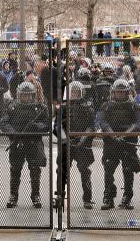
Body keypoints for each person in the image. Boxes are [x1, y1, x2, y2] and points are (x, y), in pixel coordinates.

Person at [0, 82, 49, 208]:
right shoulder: (11, 106)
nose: (26, 98)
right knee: (15, 170)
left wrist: (37, 126)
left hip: (33, 142)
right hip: (17, 142)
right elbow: (4, 122)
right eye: (23, 95)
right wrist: (14, 134)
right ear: (19, 95)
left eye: (28, 96)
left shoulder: (39, 107)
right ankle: (13, 195)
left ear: (32, 96)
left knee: (35, 171)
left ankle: (35, 196)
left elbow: (47, 124)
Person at [99, 79, 140, 210]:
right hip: (111, 143)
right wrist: (113, 135)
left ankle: (127, 197)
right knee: (108, 170)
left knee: (128, 170)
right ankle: (108, 197)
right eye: (117, 92)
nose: (119, 94)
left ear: (126, 93)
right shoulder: (106, 105)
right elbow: (103, 122)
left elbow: (137, 123)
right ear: (113, 92)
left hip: (127, 143)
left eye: (121, 92)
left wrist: (124, 135)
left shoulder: (134, 106)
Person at [54, 81, 95, 209]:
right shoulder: (63, 107)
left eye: (77, 92)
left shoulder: (87, 106)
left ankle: (87, 199)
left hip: (82, 145)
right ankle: (60, 196)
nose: (74, 94)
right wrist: (66, 140)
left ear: (81, 93)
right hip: (67, 144)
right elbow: (57, 126)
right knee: (62, 170)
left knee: (84, 170)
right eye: (72, 92)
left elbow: (91, 126)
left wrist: (83, 139)